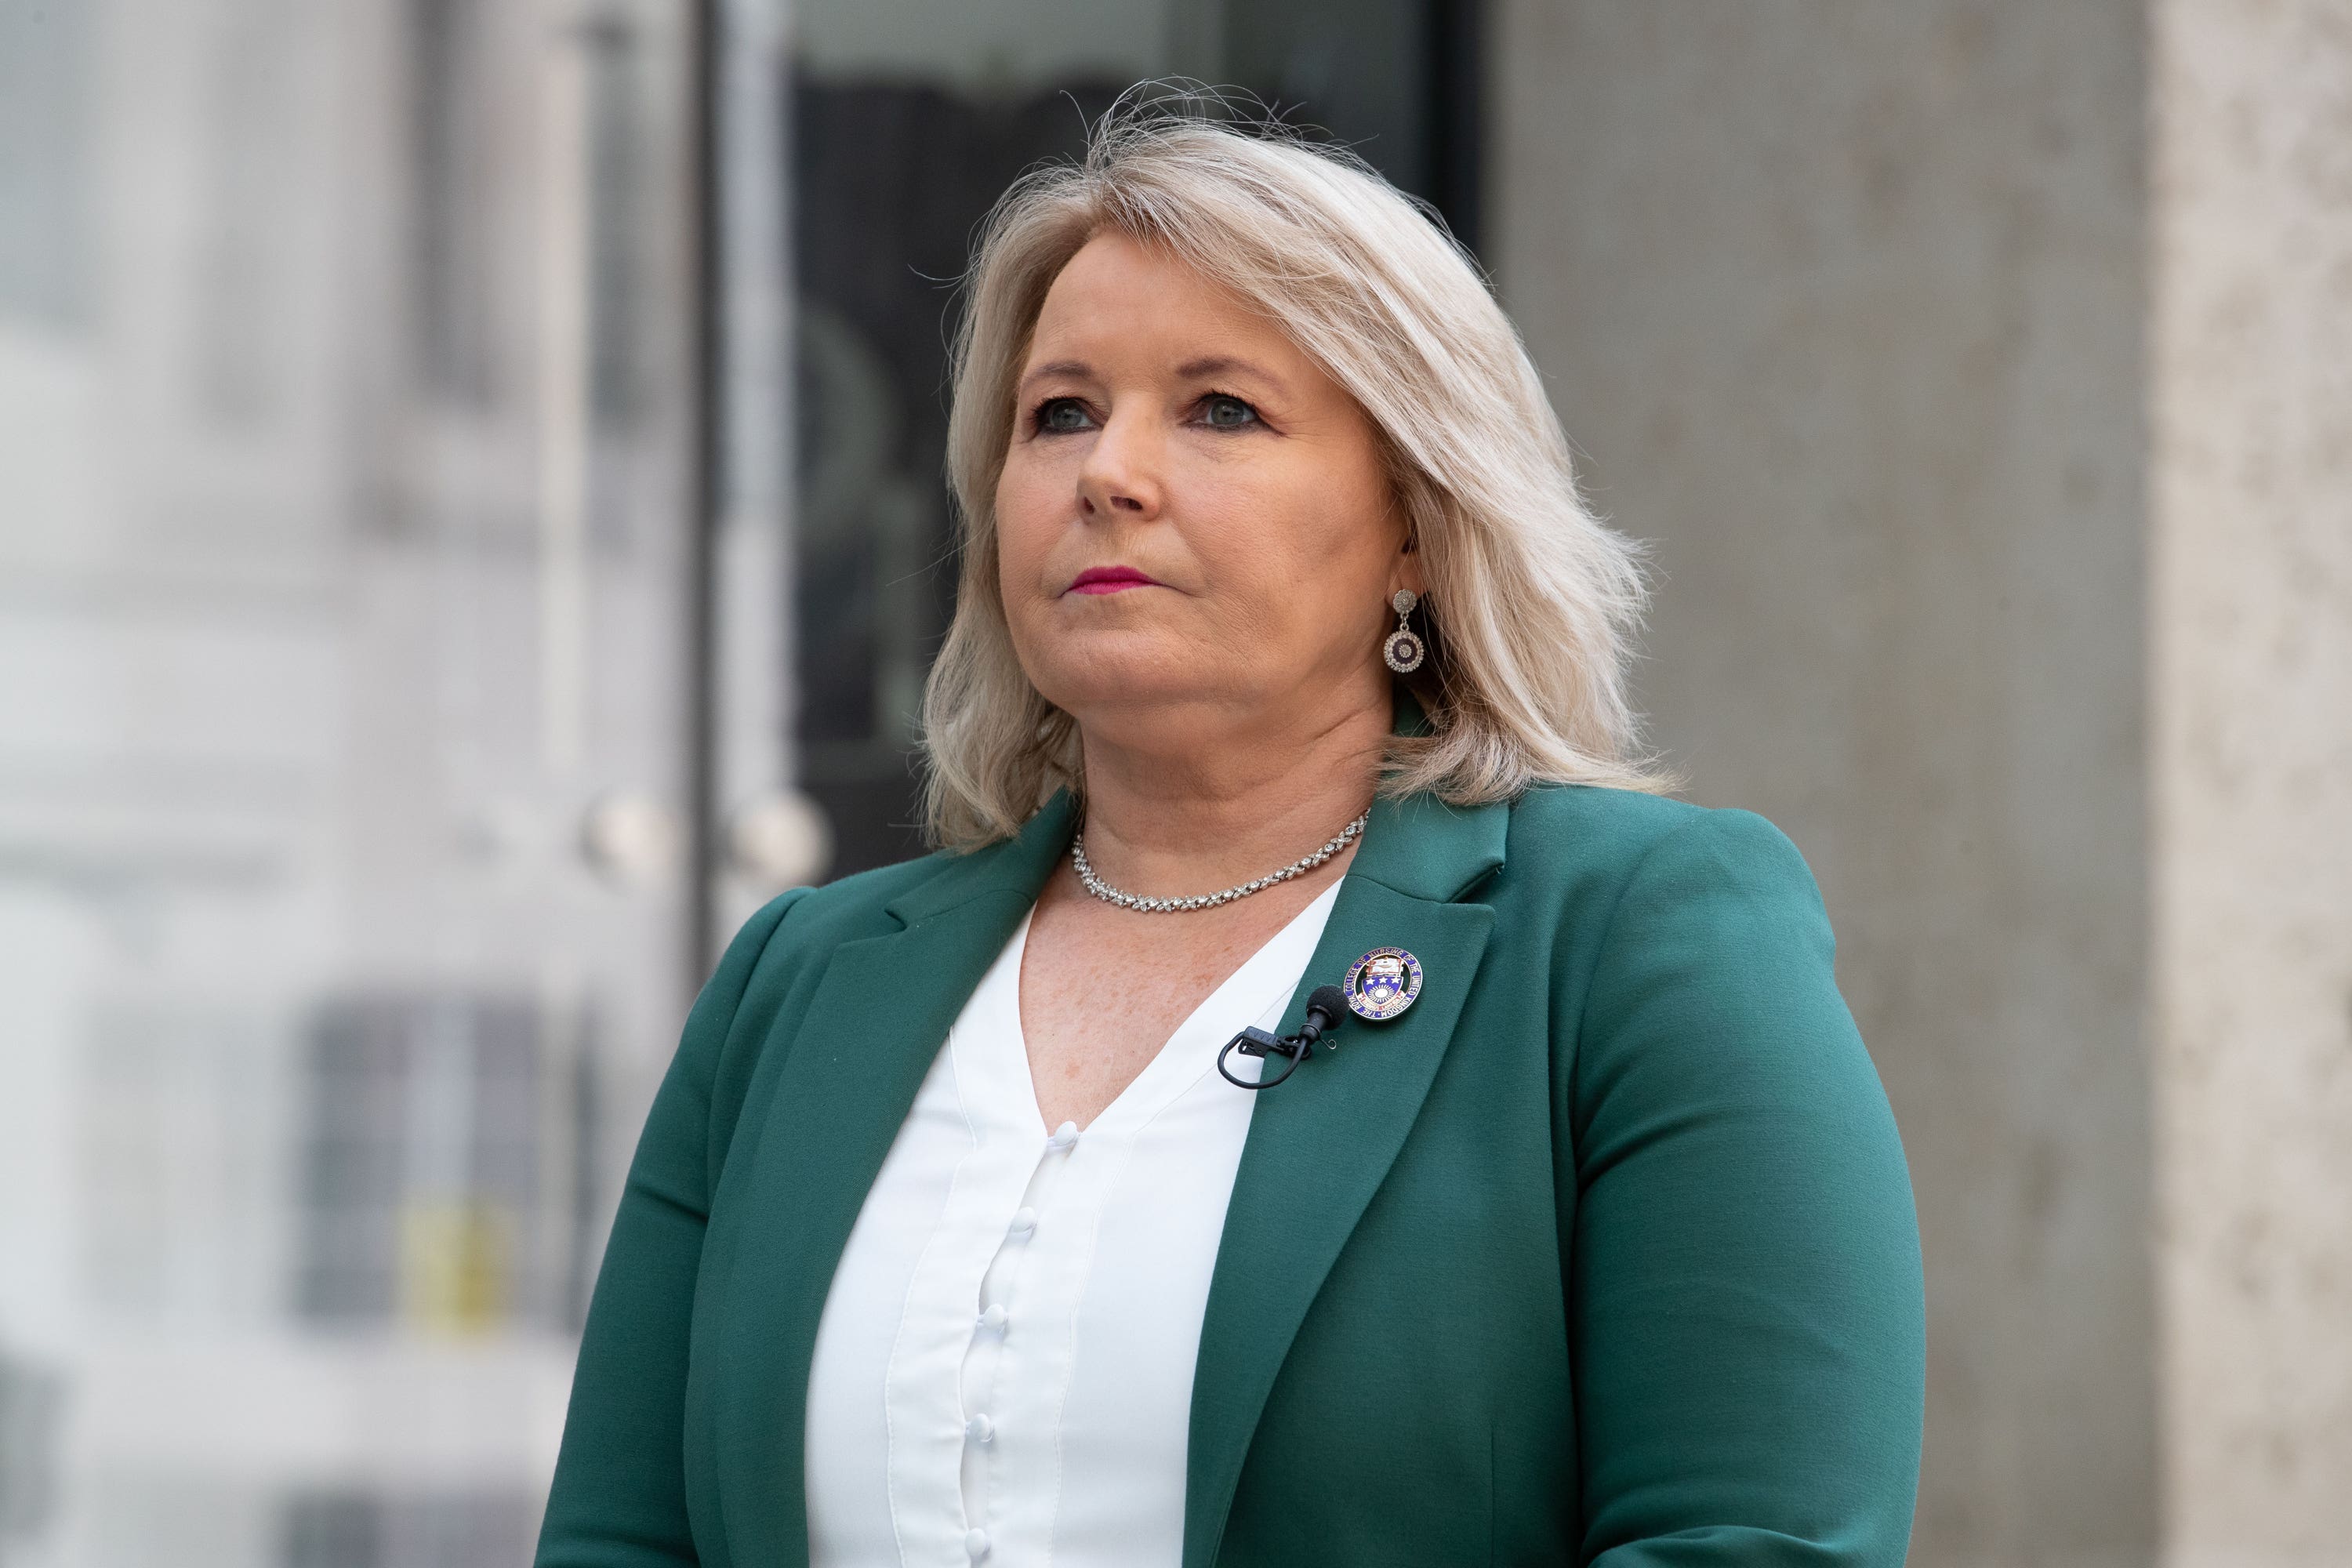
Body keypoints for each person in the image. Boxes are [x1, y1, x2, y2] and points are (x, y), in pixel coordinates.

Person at [535, 99, 1924, 1568]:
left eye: (1220, 410)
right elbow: (623, 1542)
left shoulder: (1637, 938)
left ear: (1415, 523)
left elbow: (1764, 1543)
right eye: (1058, 412)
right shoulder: (797, 984)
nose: (1107, 473)